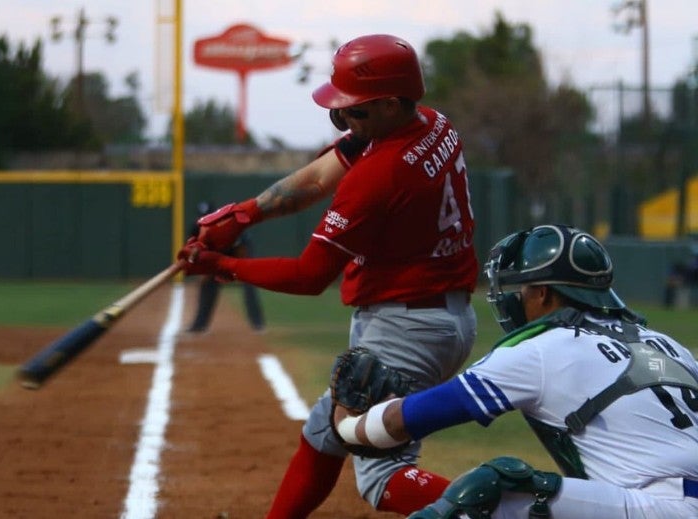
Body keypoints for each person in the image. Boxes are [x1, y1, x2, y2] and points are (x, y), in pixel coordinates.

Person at [178, 34, 479, 517]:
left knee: (383, 476)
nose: (343, 119)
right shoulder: (433, 124)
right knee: (324, 435)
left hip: (405, 333)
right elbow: (319, 175)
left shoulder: (379, 175)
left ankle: (503, 505)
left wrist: (222, 266)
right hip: (435, 315)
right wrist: (241, 217)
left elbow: (309, 275)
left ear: (388, 103)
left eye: (353, 111)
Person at [331, 224, 698, 519]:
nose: (514, 298)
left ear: (543, 293)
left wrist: (348, 425)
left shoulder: (543, 347)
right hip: (660, 502)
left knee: (494, 490)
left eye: (521, 288)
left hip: (662, 507)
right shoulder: (667, 344)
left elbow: (403, 422)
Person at [184, 201, 265, 334]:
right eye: (203, 217)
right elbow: (193, 254)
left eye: (209, 216)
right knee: (207, 286)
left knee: (249, 285)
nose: (205, 220)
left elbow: (242, 250)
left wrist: (241, 271)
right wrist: (203, 271)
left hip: (237, 253)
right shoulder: (196, 229)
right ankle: (199, 325)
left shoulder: (228, 225)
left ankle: (257, 323)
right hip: (215, 255)